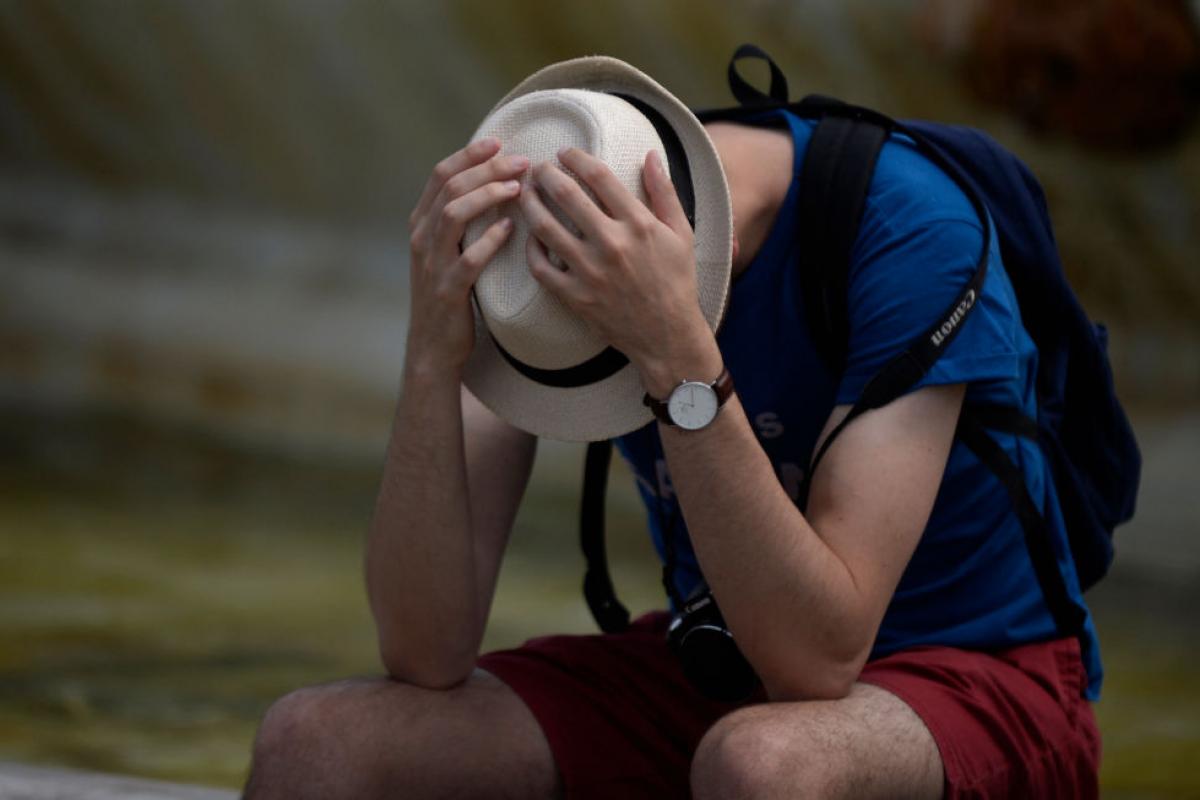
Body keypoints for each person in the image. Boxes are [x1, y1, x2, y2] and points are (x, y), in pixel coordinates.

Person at [242, 56, 1102, 799]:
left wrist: (673, 354)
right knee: (314, 742)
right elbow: (425, 649)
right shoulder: (531, 256)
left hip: (977, 672)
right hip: (728, 659)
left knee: (764, 767)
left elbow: (818, 661)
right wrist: (433, 357)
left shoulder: (910, 229)